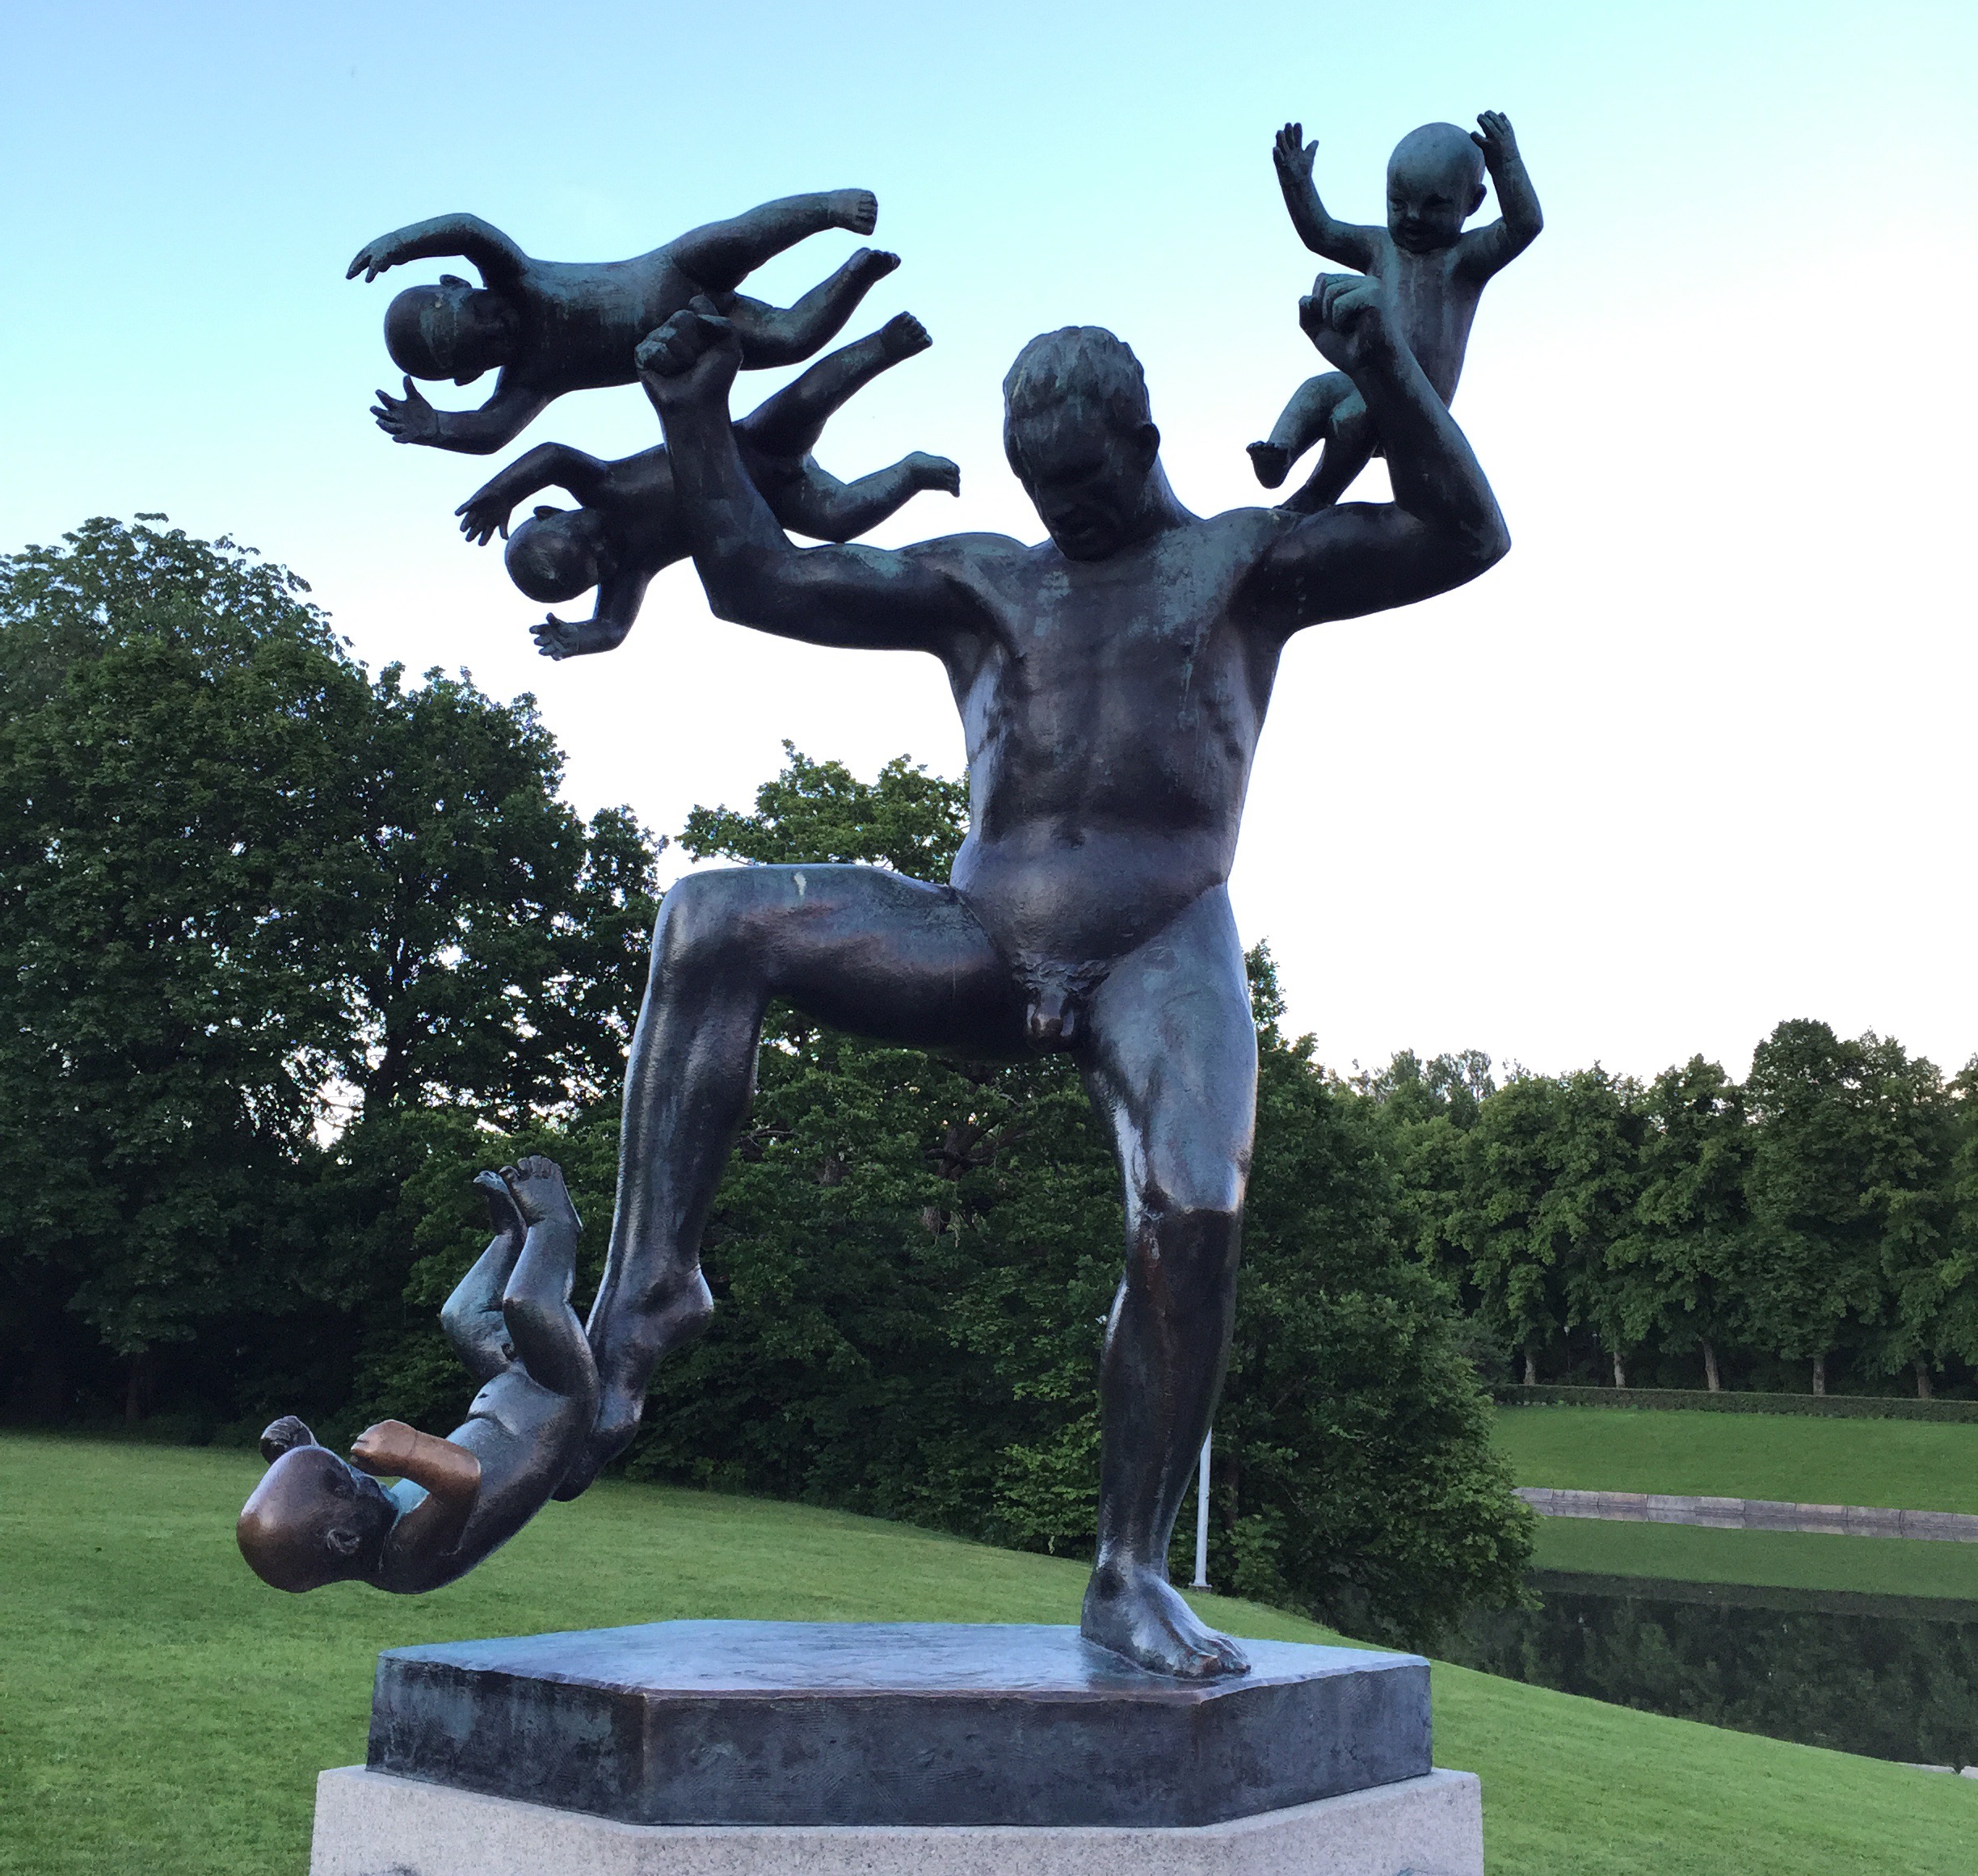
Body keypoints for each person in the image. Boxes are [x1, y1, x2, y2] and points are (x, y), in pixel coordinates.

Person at [558, 269, 1510, 1680]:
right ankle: (648, 1296)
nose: (1065, 510)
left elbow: (1462, 533)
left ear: (1143, 442)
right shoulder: (989, 579)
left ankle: (1129, 1571)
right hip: (980, 931)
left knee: (1194, 1205)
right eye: (1040, 487)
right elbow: (762, 580)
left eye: (1084, 482)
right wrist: (694, 419)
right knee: (708, 916)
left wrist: (1388, 370)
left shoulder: (1243, 563)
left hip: (1158, 939)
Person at [455, 313, 959, 659]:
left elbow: (552, 456)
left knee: (806, 402)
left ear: (551, 512)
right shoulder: (632, 568)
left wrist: (502, 491)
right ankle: (911, 472)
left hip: (748, 445)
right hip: (771, 508)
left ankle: (883, 345)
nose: (606, 548)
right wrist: (579, 639)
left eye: (588, 538)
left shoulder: (601, 485)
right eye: (598, 565)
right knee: (840, 517)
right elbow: (613, 628)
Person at [236, 1159, 596, 1595]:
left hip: (508, 1390)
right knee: (526, 1306)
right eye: (346, 1483)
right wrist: (408, 1451)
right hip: (554, 1401)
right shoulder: (404, 1559)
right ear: (345, 1540)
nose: (356, 1473)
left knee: (461, 1314)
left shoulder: (373, 1523)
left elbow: (332, 1496)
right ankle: (554, 1223)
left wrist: (299, 1451)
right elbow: (462, 1477)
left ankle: (510, 1238)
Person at [346, 189, 895, 455]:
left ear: (461, 285)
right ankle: (857, 274)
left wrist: (402, 242)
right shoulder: (532, 379)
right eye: (483, 348)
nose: (496, 329)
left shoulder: (517, 278)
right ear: (471, 375)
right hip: (695, 334)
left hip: (673, 270)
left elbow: (469, 229)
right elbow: (492, 432)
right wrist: (436, 427)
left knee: (740, 239)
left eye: (481, 314)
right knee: (794, 337)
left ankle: (827, 208)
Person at [1247, 112, 1541, 510]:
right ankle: (1280, 453)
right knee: (1319, 390)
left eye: (1434, 205)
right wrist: (1297, 184)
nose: (1413, 216)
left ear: (1472, 202)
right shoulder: (1379, 246)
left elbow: (1524, 225)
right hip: (1368, 376)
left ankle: (1317, 494)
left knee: (1360, 413)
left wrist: (1507, 165)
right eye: (1398, 204)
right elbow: (1321, 233)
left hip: (1419, 397)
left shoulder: (1465, 259)